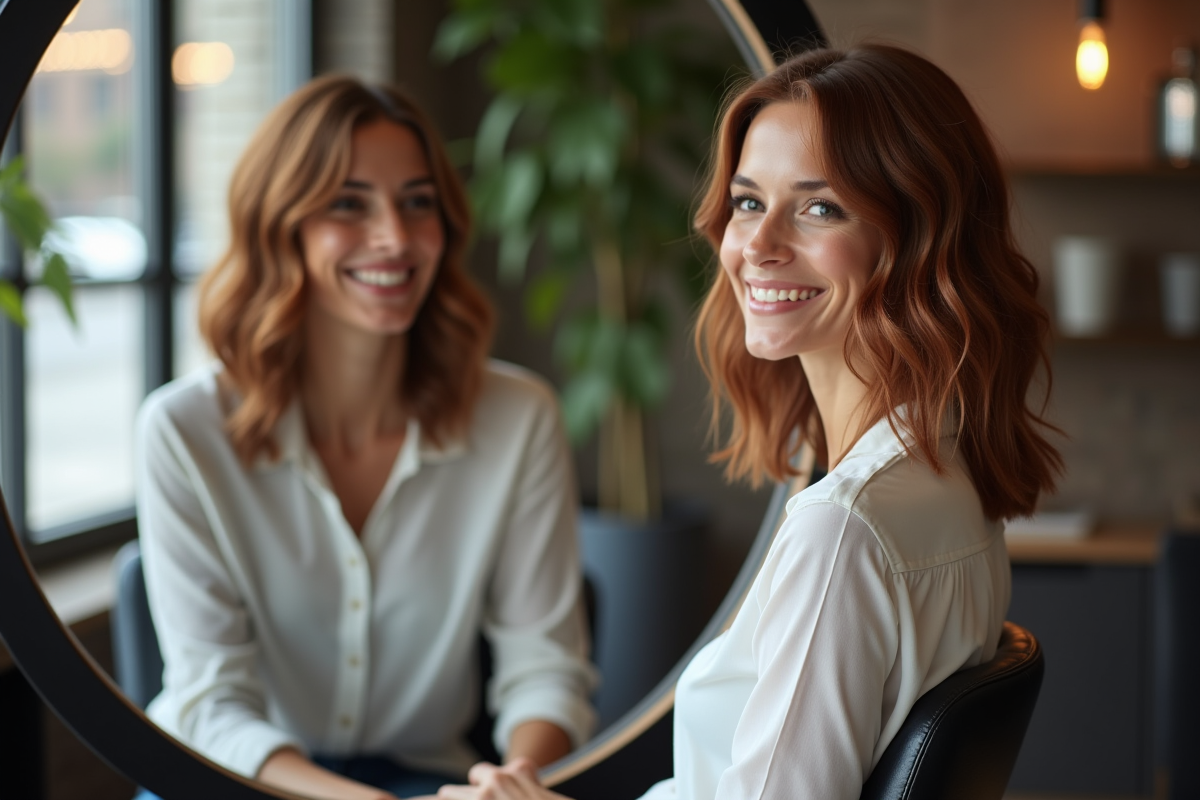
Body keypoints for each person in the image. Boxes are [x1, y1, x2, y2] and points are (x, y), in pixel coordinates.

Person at [432, 43, 1062, 800]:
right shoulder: (943, 475)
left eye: (819, 207)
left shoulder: (844, 530)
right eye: (748, 201)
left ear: (921, 238)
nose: (757, 246)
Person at [135, 75, 596, 800]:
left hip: (430, 781)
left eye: (419, 202)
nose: (396, 237)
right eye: (349, 204)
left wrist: (514, 782)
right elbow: (209, 704)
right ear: (277, 224)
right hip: (240, 780)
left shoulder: (518, 417)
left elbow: (545, 669)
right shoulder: (183, 431)